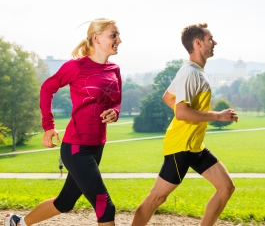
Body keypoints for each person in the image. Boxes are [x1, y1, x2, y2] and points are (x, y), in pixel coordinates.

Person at [5, 18, 122, 226]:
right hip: (77, 147)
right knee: (105, 205)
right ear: (96, 38)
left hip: (97, 146)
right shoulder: (76, 67)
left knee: (65, 202)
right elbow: (47, 88)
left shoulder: (114, 70)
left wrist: (114, 112)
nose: (119, 40)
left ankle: (17, 223)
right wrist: (48, 126)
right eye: (114, 35)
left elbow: (116, 102)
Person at [131, 23, 238, 226]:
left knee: (226, 187)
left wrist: (190, 119)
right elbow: (181, 112)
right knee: (157, 198)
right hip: (181, 146)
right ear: (198, 43)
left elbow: (168, 98)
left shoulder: (193, 71)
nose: (214, 42)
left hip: (194, 145)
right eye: (210, 39)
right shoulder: (191, 73)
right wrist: (217, 116)